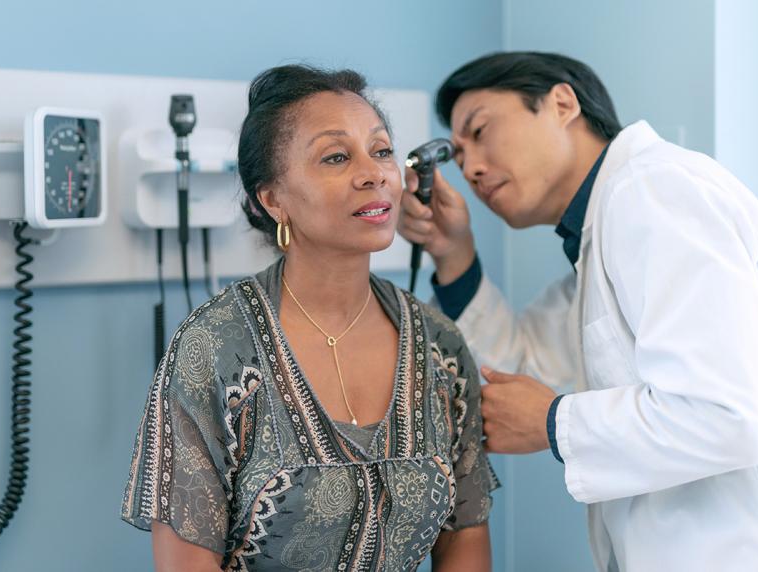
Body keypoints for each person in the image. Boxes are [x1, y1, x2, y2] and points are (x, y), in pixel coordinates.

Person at [398, 51, 758, 571]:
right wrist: (454, 255)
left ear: (561, 103)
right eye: (457, 153)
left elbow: (731, 416)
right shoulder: (598, 238)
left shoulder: (654, 190)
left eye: (481, 131)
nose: (471, 167)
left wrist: (554, 422)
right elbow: (520, 372)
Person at [121, 64, 498, 572]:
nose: (374, 174)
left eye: (382, 150)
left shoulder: (441, 348)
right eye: (337, 156)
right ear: (273, 198)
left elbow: (465, 543)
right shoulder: (214, 349)